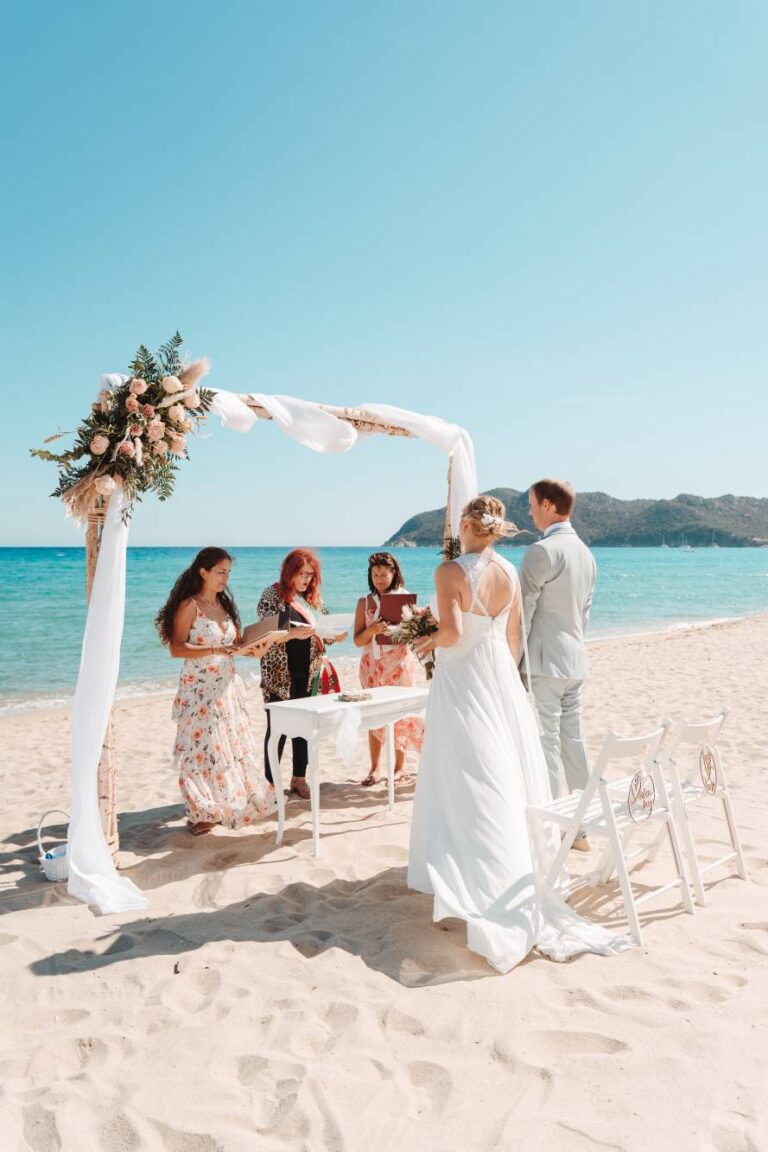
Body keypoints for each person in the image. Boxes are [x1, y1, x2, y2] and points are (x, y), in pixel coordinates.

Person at [407, 495, 629, 973]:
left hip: (463, 676)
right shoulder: (508, 572)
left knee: (463, 768)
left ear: (466, 524)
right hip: (499, 675)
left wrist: (421, 641)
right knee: (499, 765)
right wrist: (504, 680)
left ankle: (472, 866)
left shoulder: (449, 572)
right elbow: (510, 637)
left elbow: (450, 631)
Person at [156, 547, 279, 836]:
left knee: (226, 748)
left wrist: (256, 646)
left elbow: (234, 644)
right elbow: (176, 648)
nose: (226, 578)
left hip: (226, 686)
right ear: (203, 572)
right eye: (220, 571)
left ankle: (221, 805)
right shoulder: (190, 605)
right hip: (199, 689)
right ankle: (201, 812)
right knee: (201, 749)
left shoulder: (224, 605)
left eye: (228, 572)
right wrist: (215, 648)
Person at [519, 479, 596, 851]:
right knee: (574, 742)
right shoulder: (585, 553)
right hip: (575, 660)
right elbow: (584, 614)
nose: (529, 510)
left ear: (548, 505)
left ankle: (554, 825)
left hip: (545, 663)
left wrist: (514, 660)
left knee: (547, 744)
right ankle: (581, 827)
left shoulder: (541, 550)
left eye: (532, 504)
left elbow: (523, 615)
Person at [257, 548, 347, 800]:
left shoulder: (312, 599)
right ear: (289, 572)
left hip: (309, 672)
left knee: (304, 728)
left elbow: (322, 628)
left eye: (310, 574)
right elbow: (264, 632)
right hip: (279, 673)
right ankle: (271, 784)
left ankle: (299, 778)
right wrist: (291, 634)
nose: (306, 579)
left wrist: (335, 635)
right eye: (301, 574)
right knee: (278, 729)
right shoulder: (272, 594)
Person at [353, 552, 424, 787]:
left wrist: (404, 628)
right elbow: (357, 641)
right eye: (375, 575)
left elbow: (414, 635)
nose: (380, 579)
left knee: (400, 716)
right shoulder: (364, 602)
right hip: (373, 667)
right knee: (375, 718)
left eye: (384, 574)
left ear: (394, 573)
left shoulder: (404, 599)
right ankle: (374, 768)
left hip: (400, 665)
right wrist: (372, 629)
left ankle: (399, 768)